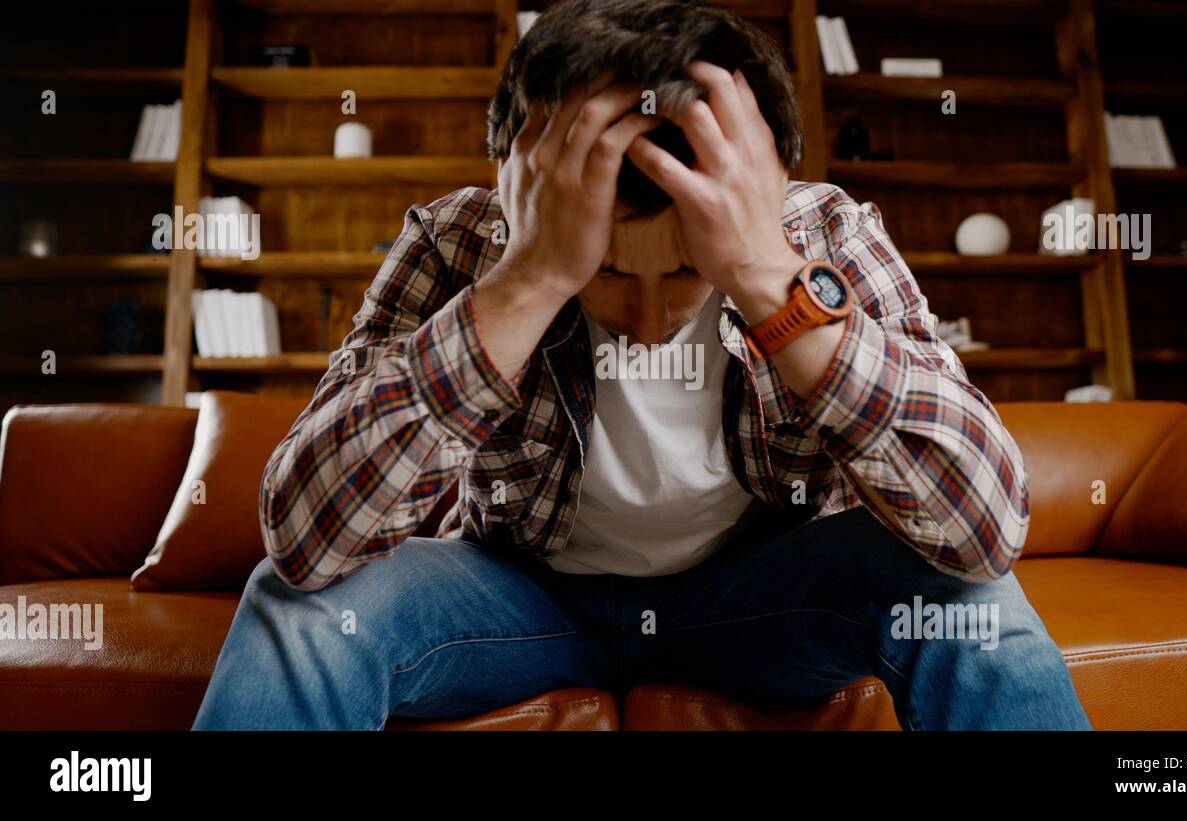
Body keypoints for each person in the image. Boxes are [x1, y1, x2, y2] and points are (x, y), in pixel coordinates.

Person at [193, 0, 1089, 731]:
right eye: (610, 273)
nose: (654, 318)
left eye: (691, 271)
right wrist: (532, 279)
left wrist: (770, 282)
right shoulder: (458, 245)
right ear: (525, 191)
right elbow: (304, 543)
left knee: (963, 600)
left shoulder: (824, 238)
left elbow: (985, 533)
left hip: (755, 599)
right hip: (526, 600)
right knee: (299, 605)